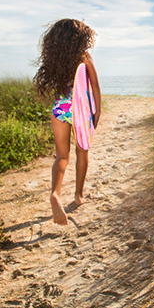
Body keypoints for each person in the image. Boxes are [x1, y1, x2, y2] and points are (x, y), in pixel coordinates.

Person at [33, 19, 102, 225]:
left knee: (61, 156)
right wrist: (97, 110)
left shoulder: (56, 59)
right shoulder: (84, 56)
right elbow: (95, 85)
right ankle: (78, 196)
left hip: (61, 108)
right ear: (79, 38)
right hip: (80, 108)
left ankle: (55, 193)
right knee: (82, 152)